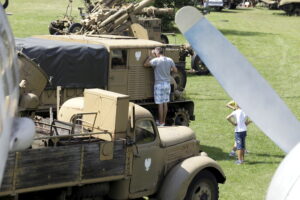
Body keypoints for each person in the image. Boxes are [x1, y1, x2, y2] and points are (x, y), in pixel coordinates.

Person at [144, 47, 177, 126]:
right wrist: (169, 70)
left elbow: (145, 64)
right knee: (165, 103)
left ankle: (160, 122)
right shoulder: (170, 60)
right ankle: (163, 121)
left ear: (157, 53)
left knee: (160, 104)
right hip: (167, 84)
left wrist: (149, 57)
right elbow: (175, 70)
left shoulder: (156, 60)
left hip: (159, 85)